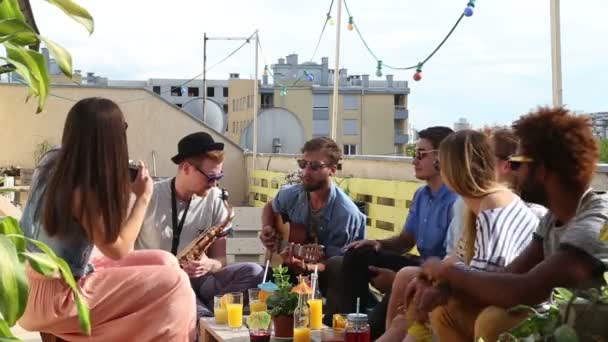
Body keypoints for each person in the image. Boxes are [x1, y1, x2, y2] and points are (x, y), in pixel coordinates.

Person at [418, 107, 608, 342]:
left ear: (543, 170)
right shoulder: (553, 218)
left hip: (582, 332)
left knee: (494, 320)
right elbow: (509, 274)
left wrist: (448, 271)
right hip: (565, 326)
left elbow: (525, 290)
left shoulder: (596, 221)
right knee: (446, 312)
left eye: (517, 163)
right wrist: (444, 289)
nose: (511, 172)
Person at [18, 97, 196, 341]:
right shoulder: (83, 190)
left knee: (166, 261)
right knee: (175, 282)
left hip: (29, 284)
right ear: (110, 140)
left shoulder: (51, 161)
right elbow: (120, 249)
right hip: (56, 299)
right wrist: (142, 197)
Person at [340, 126, 457, 338]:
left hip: (440, 271)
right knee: (357, 253)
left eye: (420, 154)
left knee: (402, 278)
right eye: (414, 154)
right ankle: (349, 321)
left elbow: (454, 259)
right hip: (418, 263)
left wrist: (399, 279)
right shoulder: (421, 194)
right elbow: (406, 240)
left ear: (441, 157)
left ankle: (374, 325)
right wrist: (378, 243)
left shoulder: (455, 200)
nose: (414, 161)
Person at [136, 132, 264, 317]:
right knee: (201, 316)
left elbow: (220, 260)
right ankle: (204, 313)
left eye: (219, 177)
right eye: (210, 177)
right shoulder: (149, 196)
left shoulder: (215, 199)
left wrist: (209, 264)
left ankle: (205, 310)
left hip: (198, 281)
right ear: (186, 168)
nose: (215, 184)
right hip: (158, 284)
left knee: (254, 271)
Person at [259, 137, 366, 315]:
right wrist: (267, 228)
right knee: (263, 293)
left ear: (332, 170)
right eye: (303, 164)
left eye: (315, 167)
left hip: (331, 279)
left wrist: (305, 267)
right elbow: (270, 207)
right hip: (290, 270)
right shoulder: (292, 194)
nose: (306, 172)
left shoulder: (346, 214)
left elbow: (337, 264)